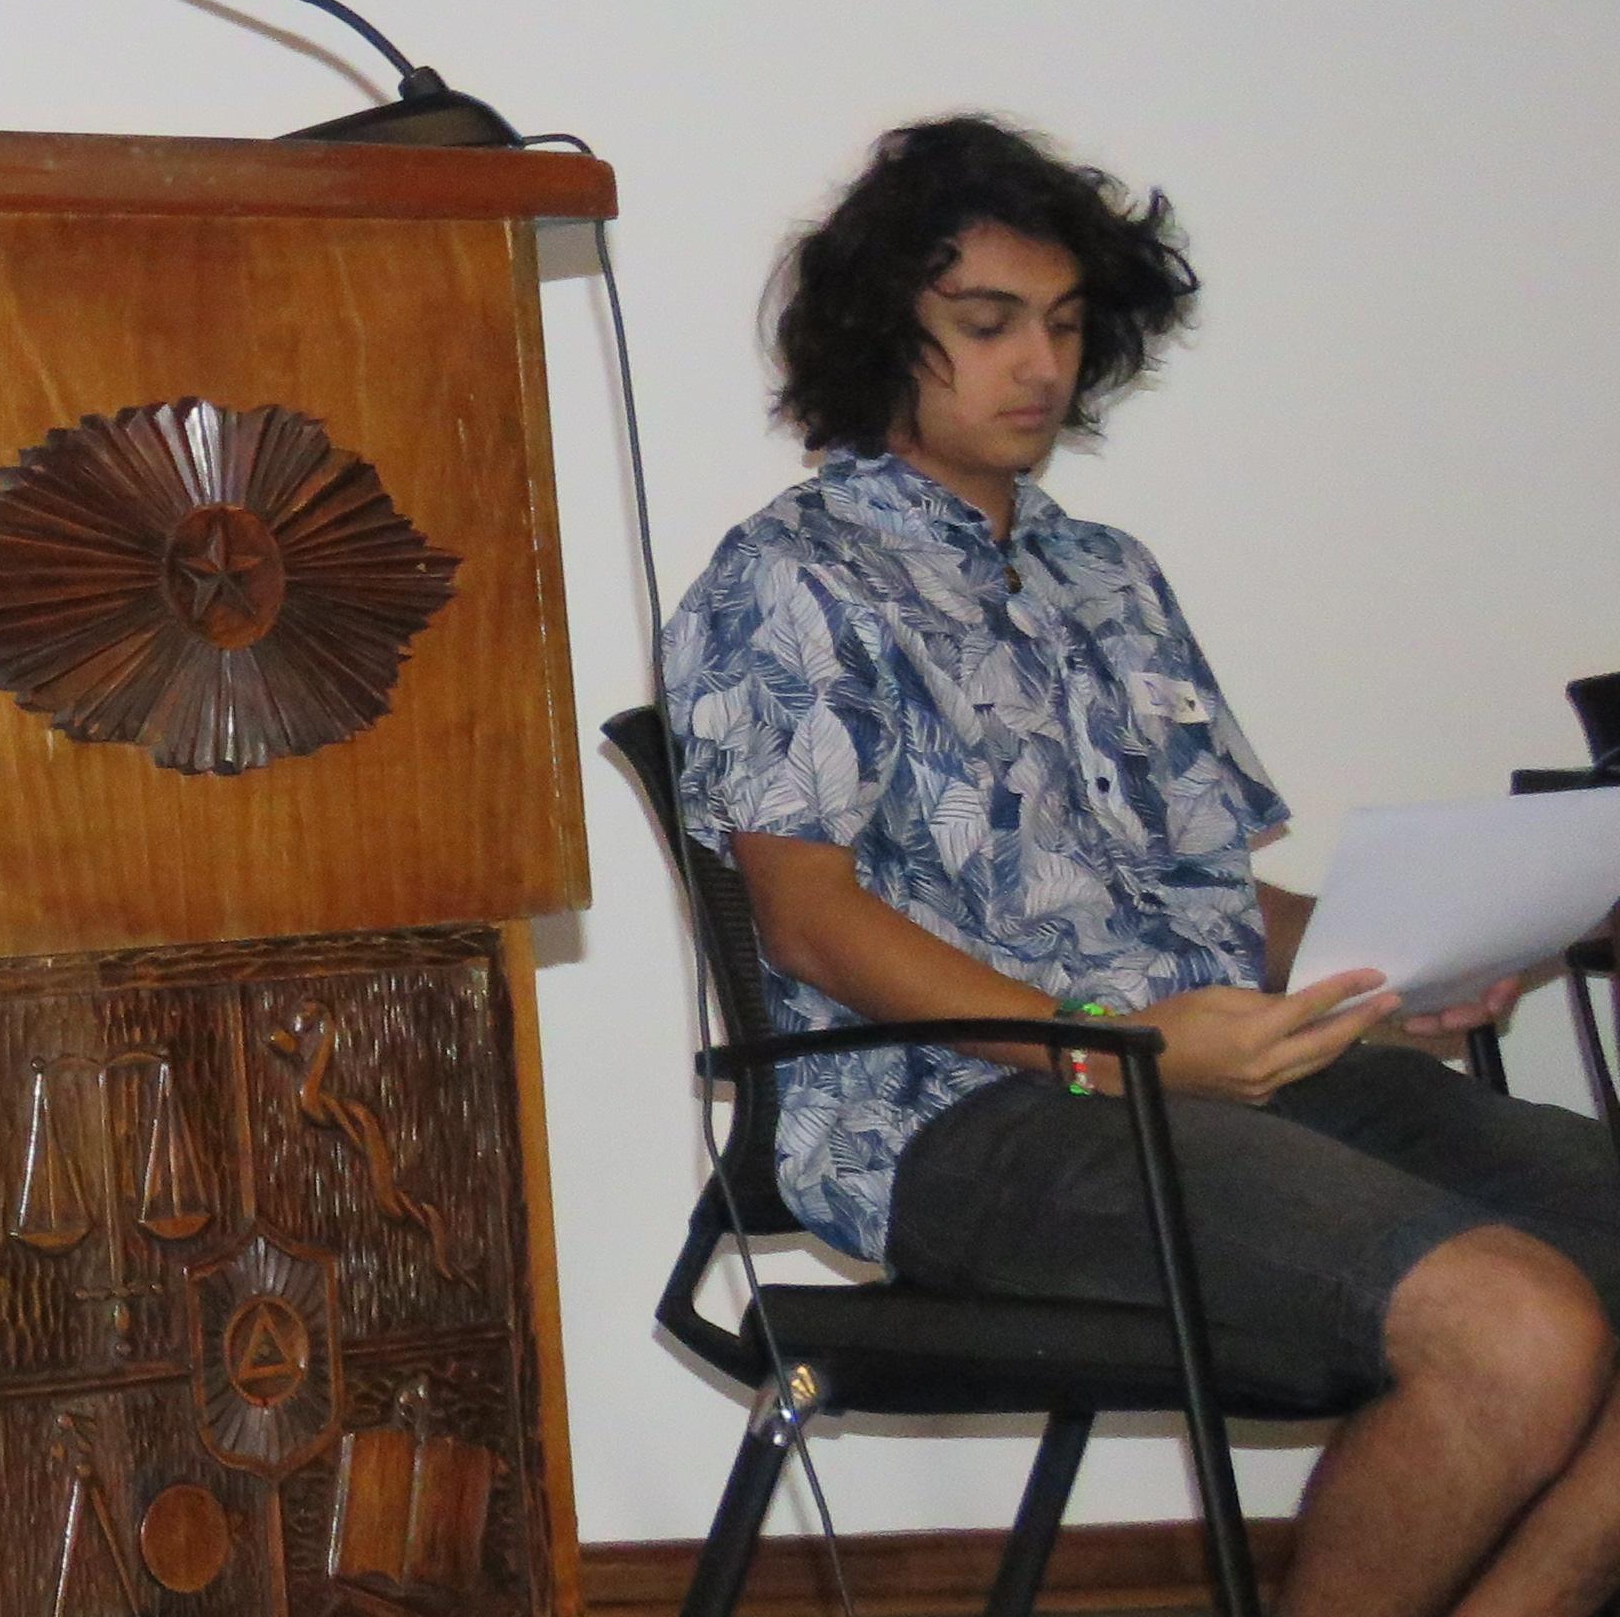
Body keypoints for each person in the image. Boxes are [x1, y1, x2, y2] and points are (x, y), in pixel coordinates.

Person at [667, 116, 1620, 1617]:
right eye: (987, 326)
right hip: (964, 1116)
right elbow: (809, 920)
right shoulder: (790, 577)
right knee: (1513, 1327)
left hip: (1212, 1073)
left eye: (1062, 325)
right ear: (879, 334)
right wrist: (1115, 1055)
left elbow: (1219, 907)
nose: (1039, 365)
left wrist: (1394, 963)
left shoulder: (1106, 571)